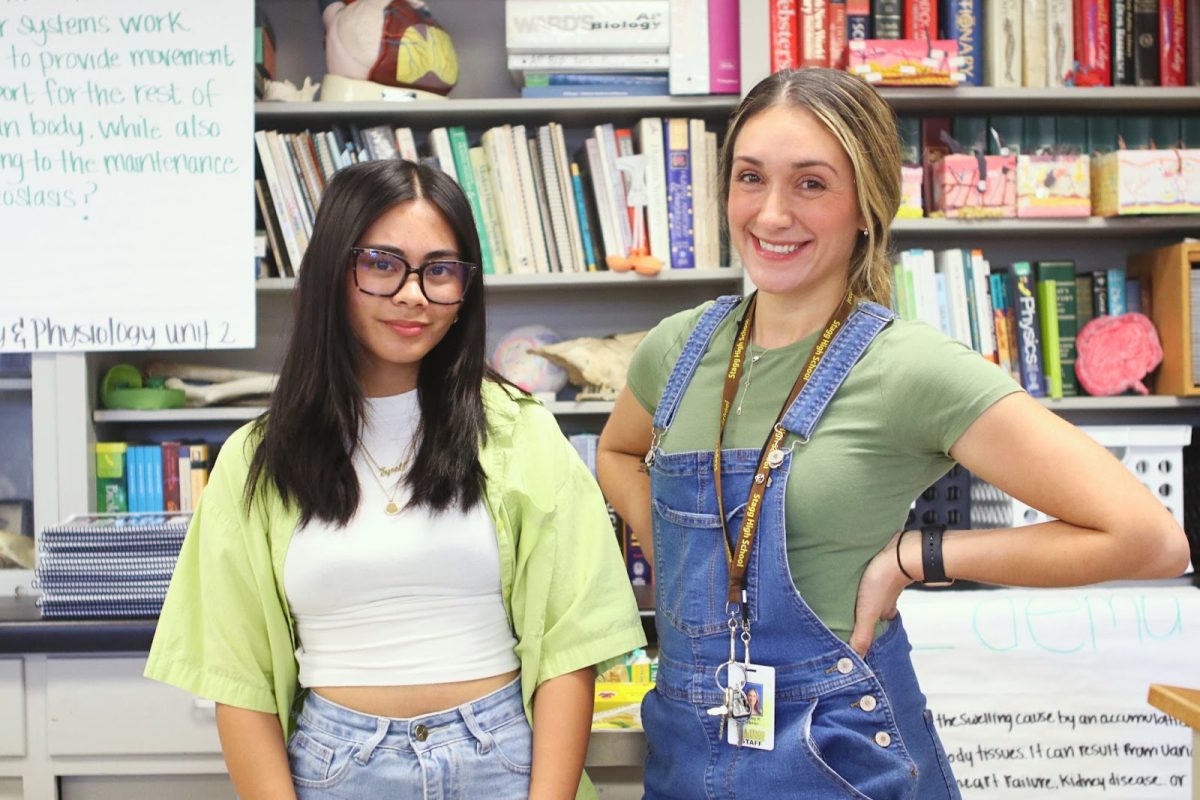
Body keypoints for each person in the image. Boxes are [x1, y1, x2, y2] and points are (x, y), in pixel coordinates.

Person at [596, 67, 1190, 800]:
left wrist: (917, 556)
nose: (772, 213)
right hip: (689, 743)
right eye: (751, 178)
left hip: (836, 756)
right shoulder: (679, 349)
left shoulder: (909, 368)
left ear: (867, 207)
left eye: (811, 184)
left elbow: (1150, 539)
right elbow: (618, 451)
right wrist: (674, 544)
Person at [146, 158, 646, 800]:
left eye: (439, 270)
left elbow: (570, 649)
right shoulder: (258, 459)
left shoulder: (520, 431)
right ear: (334, 271)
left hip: (505, 762)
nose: (414, 293)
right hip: (336, 767)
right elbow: (236, 678)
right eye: (383, 263)